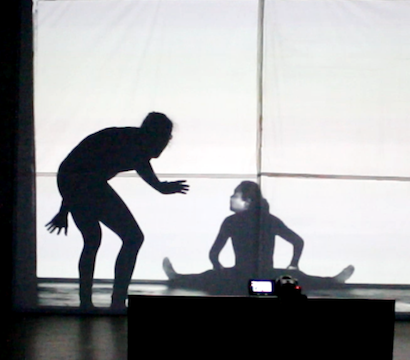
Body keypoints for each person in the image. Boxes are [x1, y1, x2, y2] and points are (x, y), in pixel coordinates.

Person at [47, 112, 189, 311]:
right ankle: (109, 302)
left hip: (78, 180)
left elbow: (149, 176)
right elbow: (80, 175)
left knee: (96, 239)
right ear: (155, 137)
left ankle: (98, 301)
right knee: (124, 238)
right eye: (165, 139)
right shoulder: (132, 146)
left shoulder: (136, 145)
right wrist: (64, 209)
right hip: (77, 181)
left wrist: (65, 209)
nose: (164, 145)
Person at [162, 180, 354, 295]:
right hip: (267, 279)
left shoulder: (230, 221)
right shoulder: (269, 220)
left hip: (239, 279)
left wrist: (217, 267)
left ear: (247, 201)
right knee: (296, 279)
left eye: (235, 195)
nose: (231, 198)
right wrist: (293, 264)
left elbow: (213, 253)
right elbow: (298, 241)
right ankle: (332, 281)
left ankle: (177, 278)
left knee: (208, 277)